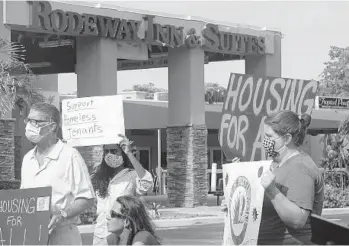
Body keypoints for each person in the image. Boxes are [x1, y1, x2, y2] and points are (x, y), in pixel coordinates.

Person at [222, 110, 324, 245]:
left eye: (269, 136)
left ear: (287, 138)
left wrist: (272, 191)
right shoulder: (275, 165)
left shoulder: (301, 167)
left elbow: (298, 220)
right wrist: (235, 201)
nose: (265, 141)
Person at [20, 103, 96, 245]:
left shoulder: (70, 156)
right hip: (32, 237)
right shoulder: (27, 159)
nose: (30, 126)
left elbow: (87, 198)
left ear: (53, 126)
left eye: (36, 122)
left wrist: (62, 214)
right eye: (28, 120)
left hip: (62, 236)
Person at [91, 135, 154, 245]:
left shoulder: (131, 175)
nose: (110, 155)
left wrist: (129, 153)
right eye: (106, 151)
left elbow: (147, 184)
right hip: (101, 235)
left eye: (114, 151)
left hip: (122, 235)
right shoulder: (99, 177)